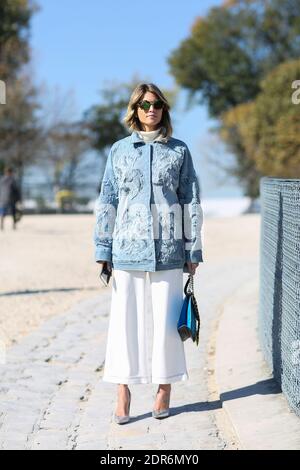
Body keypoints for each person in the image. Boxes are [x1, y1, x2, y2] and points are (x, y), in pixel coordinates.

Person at [93, 83, 204, 424]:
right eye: (144, 104)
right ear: (135, 110)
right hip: (126, 250)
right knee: (124, 324)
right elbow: (107, 200)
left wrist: (193, 249)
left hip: (169, 251)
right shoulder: (119, 151)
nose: (150, 109)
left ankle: (164, 388)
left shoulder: (179, 151)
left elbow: (191, 201)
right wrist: (103, 247)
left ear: (164, 110)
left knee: (167, 326)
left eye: (156, 104)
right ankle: (123, 390)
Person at [0, 167, 21, 231]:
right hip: (6, 199)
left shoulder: (4, 180)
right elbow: (17, 190)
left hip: (8, 199)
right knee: (5, 213)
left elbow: (17, 190)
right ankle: (2, 225)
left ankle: (13, 225)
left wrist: (19, 198)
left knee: (12, 213)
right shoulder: (9, 180)